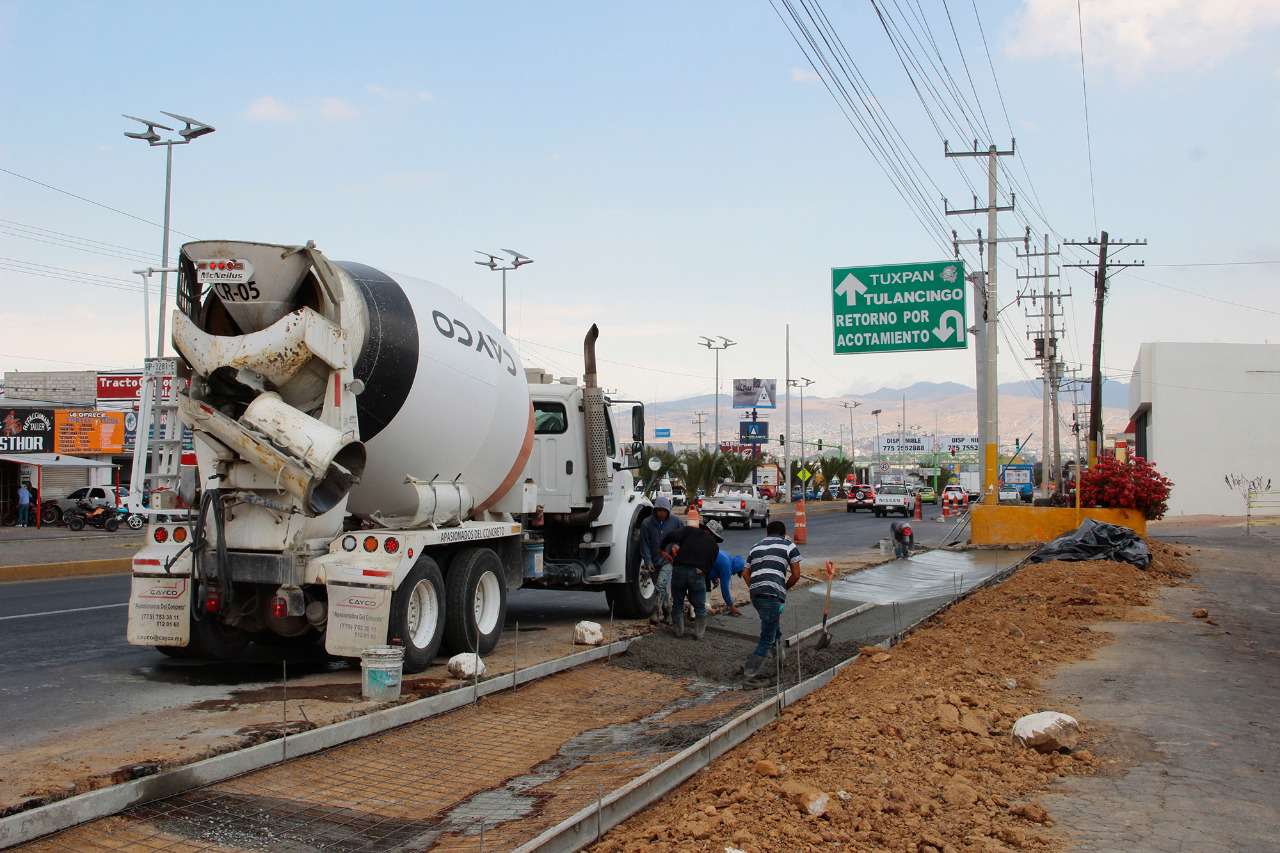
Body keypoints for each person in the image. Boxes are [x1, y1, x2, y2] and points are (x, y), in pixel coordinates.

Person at [741, 520, 802, 679]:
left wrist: (754, 587)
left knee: (773, 627)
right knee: (766, 636)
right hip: (772, 595)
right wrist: (784, 588)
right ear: (783, 533)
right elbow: (796, 575)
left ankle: (780, 662)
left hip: (756, 595)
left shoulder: (755, 546)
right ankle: (750, 673)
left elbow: (745, 574)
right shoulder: (789, 546)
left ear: (767, 533)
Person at [659, 517, 722, 639]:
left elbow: (671, 535)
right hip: (697, 573)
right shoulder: (715, 546)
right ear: (715, 535)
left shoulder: (690, 531)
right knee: (699, 606)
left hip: (679, 570)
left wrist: (662, 549)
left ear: (706, 529)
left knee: (678, 603)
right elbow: (708, 568)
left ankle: (679, 631)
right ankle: (699, 633)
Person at [639, 496, 683, 624]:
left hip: (668, 560)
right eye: (659, 510)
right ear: (655, 510)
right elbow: (644, 544)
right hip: (653, 561)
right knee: (661, 588)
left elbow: (682, 537)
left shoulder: (676, 522)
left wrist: (677, 546)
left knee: (660, 586)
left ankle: (655, 611)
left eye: (664, 511)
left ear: (668, 511)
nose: (661, 513)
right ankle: (668, 612)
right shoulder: (646, 524)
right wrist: (648, 561)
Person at [709, 550, 746, 616]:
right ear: (736, 569)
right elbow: (724, 589)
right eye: (736, 573)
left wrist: (714, 579)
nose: (733, 574)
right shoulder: (727, 567)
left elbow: (714, 564)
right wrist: (731, 607)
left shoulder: (727, 556)